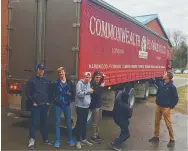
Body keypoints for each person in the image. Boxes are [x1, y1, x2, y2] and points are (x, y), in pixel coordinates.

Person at [149, 72, 178, 147]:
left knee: (168, 124)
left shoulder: (172, 87)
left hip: (166, 108)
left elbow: (176, 98)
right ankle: (156, 137)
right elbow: (158, 92)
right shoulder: (162, 84)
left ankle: (172, 140)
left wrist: (170, 107)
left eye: (165, 74)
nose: (163, 75)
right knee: (156, 122)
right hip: (158, 106)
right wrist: (157, 101)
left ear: (168, 77)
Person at [27, 64, 52, 150]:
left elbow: (48, 91)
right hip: (36, 106)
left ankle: (45, 139)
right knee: (34, 123)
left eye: (43, 69)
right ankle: (31, 140)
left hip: (44, 105)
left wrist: (48, 101)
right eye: (40, 69)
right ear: (37, 70)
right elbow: (29, 93)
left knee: (44, 123)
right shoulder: (32, 80)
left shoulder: (45, 80)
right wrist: (33, 102)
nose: (42, 71)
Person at [53, 67, 75, 148]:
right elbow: (52, 92)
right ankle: (57, 140)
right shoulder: (55, 83)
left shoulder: (70, 83)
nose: (61, 73)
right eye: (59, 72)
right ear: (58, 74)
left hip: (67, 105)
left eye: (62, 72)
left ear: (65, 72)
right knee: (57, 123)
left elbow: (73, 91)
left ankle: (70, 139)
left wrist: (71, 99)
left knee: (68, 123)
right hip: (57, 105)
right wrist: (54, 99)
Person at [75, 72, 94, 149]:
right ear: (84, 77)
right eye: (86, 77)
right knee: (79, 123)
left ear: (90, 78)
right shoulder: (79, 83)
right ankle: (78, 141)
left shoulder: (89, 83)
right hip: (80, 107)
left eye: (88, 77)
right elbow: (79, 94)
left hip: (86, 107)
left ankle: (83, 139)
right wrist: (88, 91)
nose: (87, 78)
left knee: (84, 123)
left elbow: (89, 93)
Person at [90, 71, 105, 143]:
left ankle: (97, 134)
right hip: (95, 106)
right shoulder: (92, 84)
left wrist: (103, 77)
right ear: (94, 77)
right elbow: (97, 93)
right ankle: (93, 137)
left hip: (99, 105)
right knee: (94, 122)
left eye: (99, 77)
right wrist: (101, 87)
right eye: (96, 77)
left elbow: (101, 82)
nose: (98, 79)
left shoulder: (98, 83)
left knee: (99, 121)